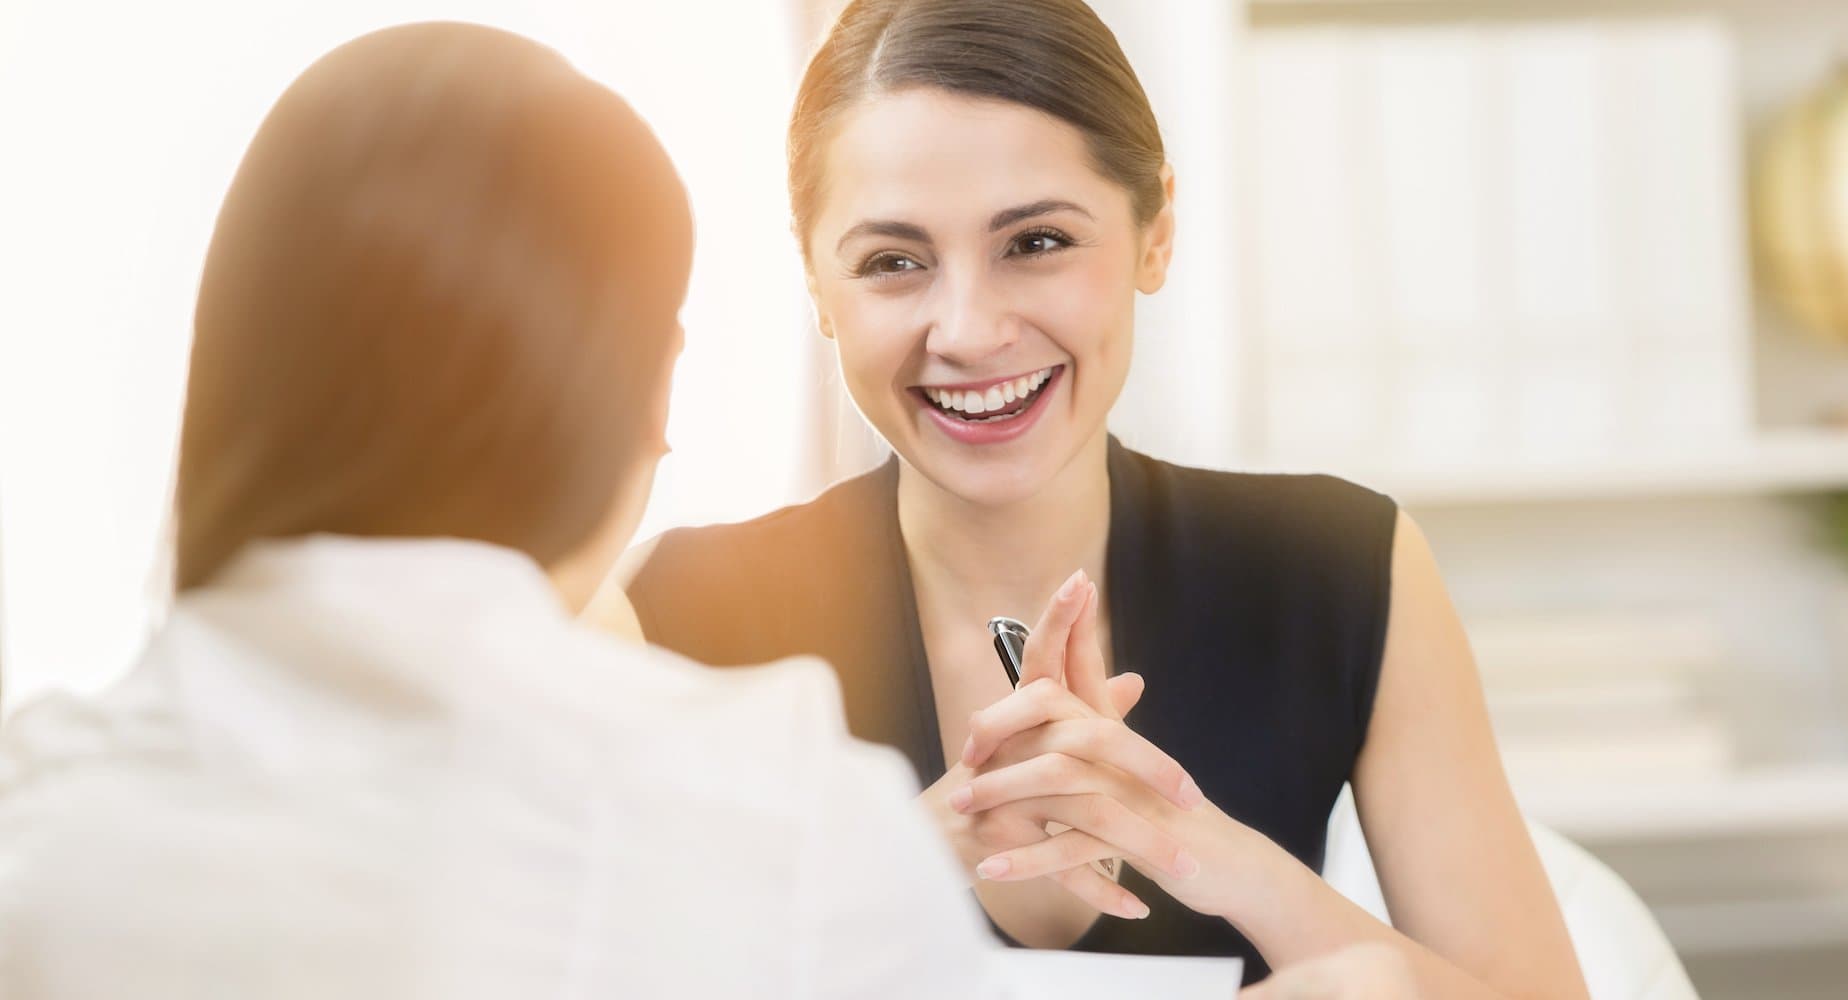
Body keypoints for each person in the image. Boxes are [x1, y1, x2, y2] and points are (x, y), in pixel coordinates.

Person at [0, 22, 1008, 999]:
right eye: (891, 261)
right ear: (639, 392)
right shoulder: (792, 829)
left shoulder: (35, 816)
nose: (962, 332)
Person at [605, 0, 1590, 995]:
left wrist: (1212, 855)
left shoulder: (1335, 568)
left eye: (1033, 242)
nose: (969, 331)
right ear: (816, 283)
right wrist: (888, 866)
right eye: (892, 262)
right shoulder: (678, 613)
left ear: (1154, 234)